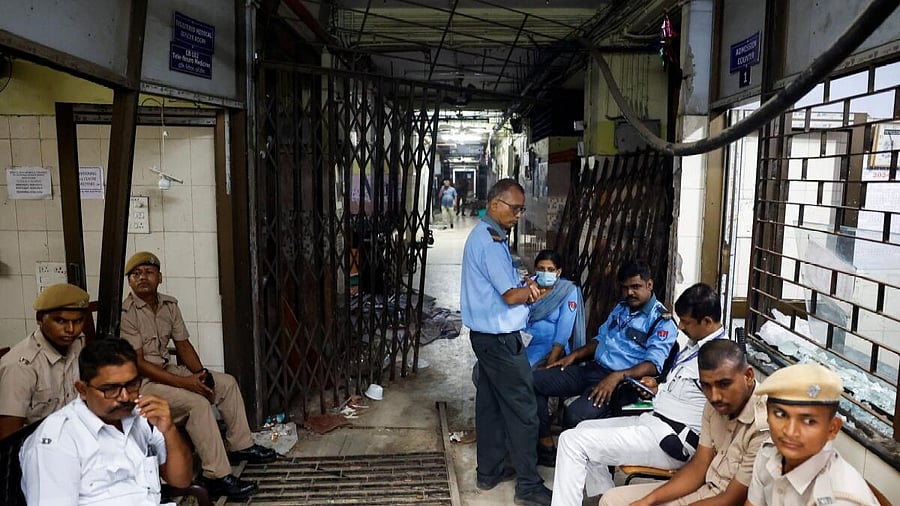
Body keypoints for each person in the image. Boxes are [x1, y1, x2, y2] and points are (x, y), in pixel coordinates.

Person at [551, 282, 728, 505]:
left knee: (571, 442)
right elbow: (687, 392)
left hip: (673, 438)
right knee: (582, 428)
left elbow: (722, 414)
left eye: (686, 322)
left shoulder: (720, 359)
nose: (680, 326)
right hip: (655, 421)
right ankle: (606, 499)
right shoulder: (697, 345)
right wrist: (657, 388)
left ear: (707, 322)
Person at [120, 251, 275, 499]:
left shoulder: (169, 305)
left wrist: (201, 375)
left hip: (167, 371)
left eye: (148, 272)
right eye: (136, 274)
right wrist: (186, 384)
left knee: (226, 383)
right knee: (197, 403)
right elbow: (137, 363)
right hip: (143, 383)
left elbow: (183, 346)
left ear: (160, 277)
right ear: (129, 281)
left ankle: (240, 446)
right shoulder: (126, 313)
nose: (142, 278)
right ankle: (216, 476)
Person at [532, 259, 677, 464]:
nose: (630, 293)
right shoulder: (621, 308)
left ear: (649, 285)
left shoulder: (661, 321)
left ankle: (575, 465)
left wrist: (617, 376)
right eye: (625, 288)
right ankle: (545, 443)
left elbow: (653, 365)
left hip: (621, 385)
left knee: (575, 415)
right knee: (533, 380)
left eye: (635, 287)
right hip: (593, 369)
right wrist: (573, 356)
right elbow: (600, 340)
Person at [462, 178, 552, 506]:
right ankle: (528, 485)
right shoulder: (489, 241)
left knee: (489, 406)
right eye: (514, 208)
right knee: (524, 410)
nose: (518, 214)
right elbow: (511, 296)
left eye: (521, 209)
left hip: (485, 337)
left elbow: (502, 284)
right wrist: (531, 292)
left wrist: (522, 282)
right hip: (499, 340)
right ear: (495, 204)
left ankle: (489, 471)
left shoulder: (491, 237)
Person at [19, 337, 193, 505]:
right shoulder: (58, 441)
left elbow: (181, 481)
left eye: (132, 385)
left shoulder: (141, 415)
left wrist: (169, 430)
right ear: (83, 390)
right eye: (111, 389)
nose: (125, 397)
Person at [599, 339, 768, 506]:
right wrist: (648, 500)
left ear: (748, 376)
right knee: (611, 500)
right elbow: (699, 466)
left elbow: (732, 498)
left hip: (725, 501)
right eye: (706, 386)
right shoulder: (713, 406)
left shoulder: (764, 423)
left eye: (724, 384)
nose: (714, 396)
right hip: (702, 490)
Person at [746, 363, 878, 506]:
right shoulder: (768, 454)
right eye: (780, 414)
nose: (790, 432)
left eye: (809, 421)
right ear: (767, 415)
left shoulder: (841, 499)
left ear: (832, 429)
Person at [0, 283, 90, 440]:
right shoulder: (20, 366)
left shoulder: (78, 343)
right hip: (37, 446)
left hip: (74, 436)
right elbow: (8, 436)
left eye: (78, 321)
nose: (71, 330)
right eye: (61, 321)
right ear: (40, 319)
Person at [524, 250, 586, 367]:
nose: (545, 272)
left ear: (558, 272)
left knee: (521, 372)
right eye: (541, 269)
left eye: (550, 270)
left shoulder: (566, 290)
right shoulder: (526, 287)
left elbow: (565, 328)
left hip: (548, 346)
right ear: (535, 269)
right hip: (522, 343)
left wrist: (552, 359)